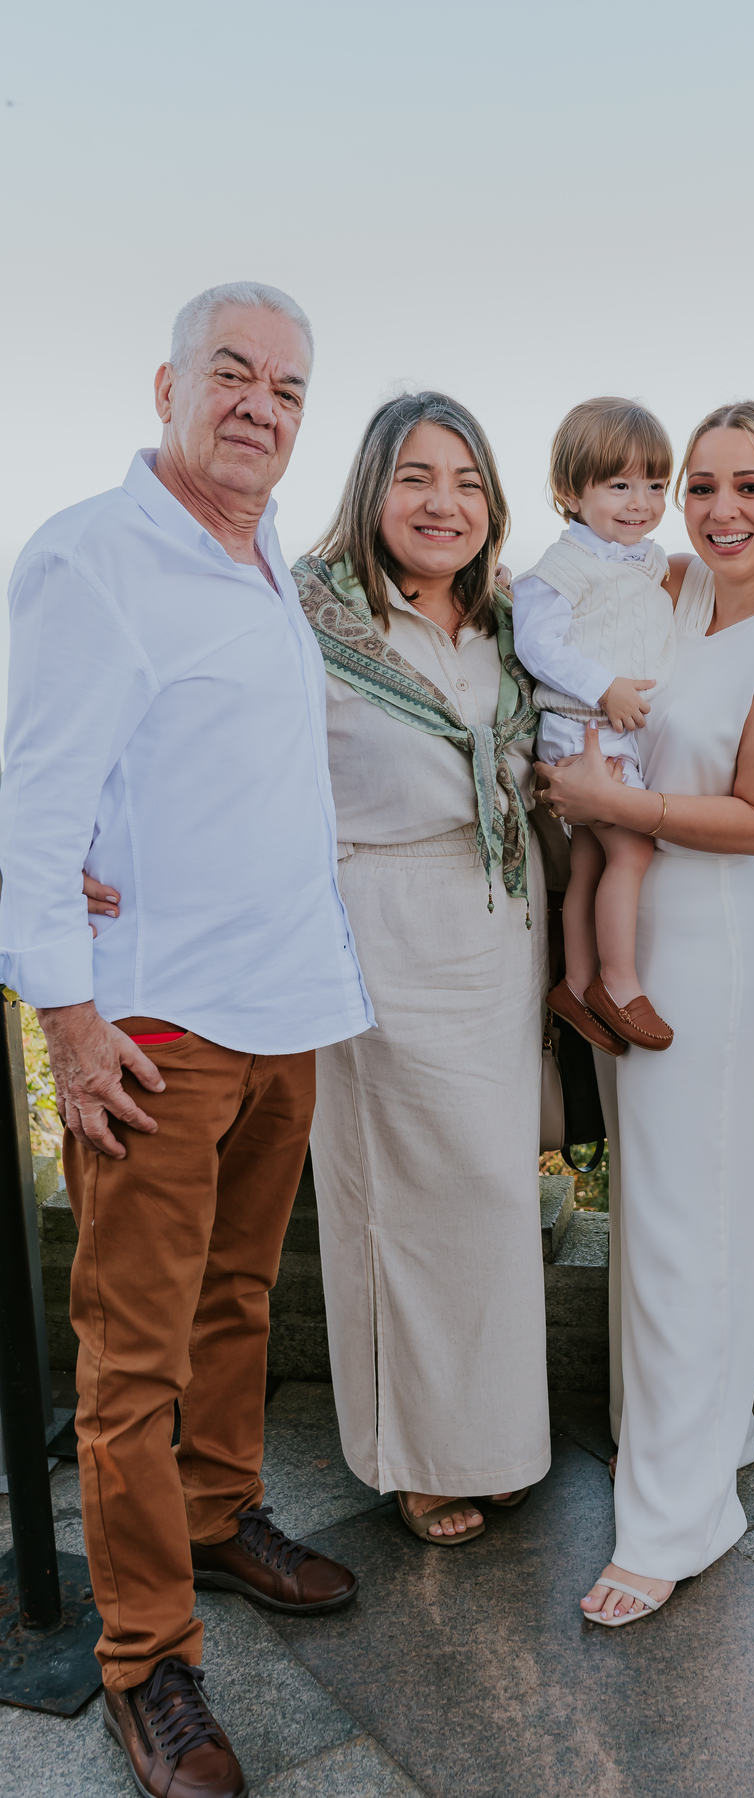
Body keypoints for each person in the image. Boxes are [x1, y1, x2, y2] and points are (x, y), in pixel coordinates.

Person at [0, 283, 372, 1798]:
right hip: (155, 1025)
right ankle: (147, 1656)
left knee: (237, 1299)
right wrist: (70, 1022)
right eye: (232, 373)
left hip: (285, 1004)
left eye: (288, 388)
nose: (260, 407)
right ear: (167, 386)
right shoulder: (94, 555)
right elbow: (32, 800)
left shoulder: (264, 552)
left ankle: (219, 1515)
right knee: (131, 1356)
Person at [536, 401, 754, 1623]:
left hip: (705, 933)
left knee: (685, 1218)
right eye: (701, 485)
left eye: (749, 487)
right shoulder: (670, 587)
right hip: (634, 929)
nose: (720, 508)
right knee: (659, 1205)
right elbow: (571, 609)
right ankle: (685, 1435)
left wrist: (607, 802)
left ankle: (675, 1519)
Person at [291, 391, 552, 1546]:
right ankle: (416, 1458)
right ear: (372, 490)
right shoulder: (312, 618)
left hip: (497, 931)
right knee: (397, 1206)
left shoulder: (510, 625)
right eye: (416, 477)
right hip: (378, 935)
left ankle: (495, 1441)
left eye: (467, 482)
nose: (444, 503)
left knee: (494, 1195)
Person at [512, 397, 676, 1054]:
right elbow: (538, 645)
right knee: (632, 851)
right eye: (619, 485)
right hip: (583, 728)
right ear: (569, 492)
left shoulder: (643, 559)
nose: (641, 502)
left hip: (609, 730)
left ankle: (577, 985)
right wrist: (605, 686)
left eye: (655, 485)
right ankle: (620, 982)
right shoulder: (564, 566)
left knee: (590, 858)